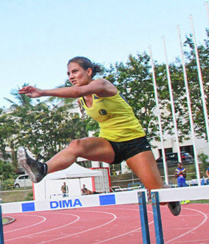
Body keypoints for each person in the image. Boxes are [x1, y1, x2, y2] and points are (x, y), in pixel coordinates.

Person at [17, 56, 181, 216]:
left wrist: (43, 92)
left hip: (134, 144)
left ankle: (167, 191)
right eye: (68, 74)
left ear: (88, 71)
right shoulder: (82, 98)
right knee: (76, 146)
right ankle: (42, 169)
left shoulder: (102, 84)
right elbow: (78, 93)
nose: (71, 76)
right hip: (109, 143)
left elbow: (77, 91)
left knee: (160, 198)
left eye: (75, 71)